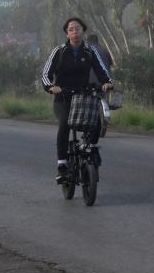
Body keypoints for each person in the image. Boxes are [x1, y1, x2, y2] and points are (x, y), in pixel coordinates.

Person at [40, 17, 113, 180]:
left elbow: (102, 71)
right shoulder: (58, 51)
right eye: (71, 29)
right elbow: (46, 75)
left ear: (83, 31)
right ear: (67, 33)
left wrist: (107, 83)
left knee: (96, 120)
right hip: (63, 98)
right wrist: (51, 87)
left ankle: (92, 148)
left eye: (78, 28)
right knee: (65, 124)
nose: (75, 32)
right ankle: (62, 165)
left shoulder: (90, 51)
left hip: (83, 95)